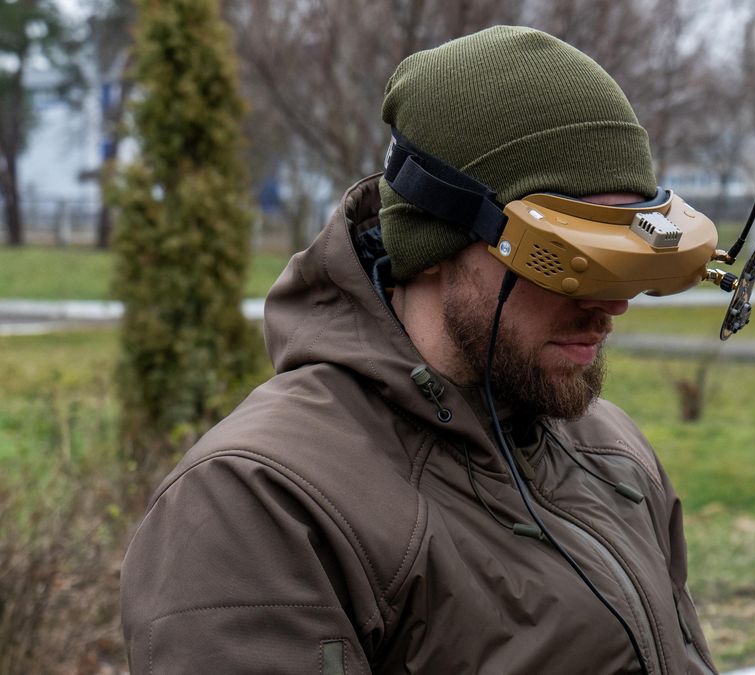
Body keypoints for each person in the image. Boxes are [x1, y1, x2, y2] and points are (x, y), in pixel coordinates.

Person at [121, 25, 718, 675]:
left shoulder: (608, 450)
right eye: (572, 263)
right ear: (434, 241)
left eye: (627, 264)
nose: (612, 306)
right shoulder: (263, 502)